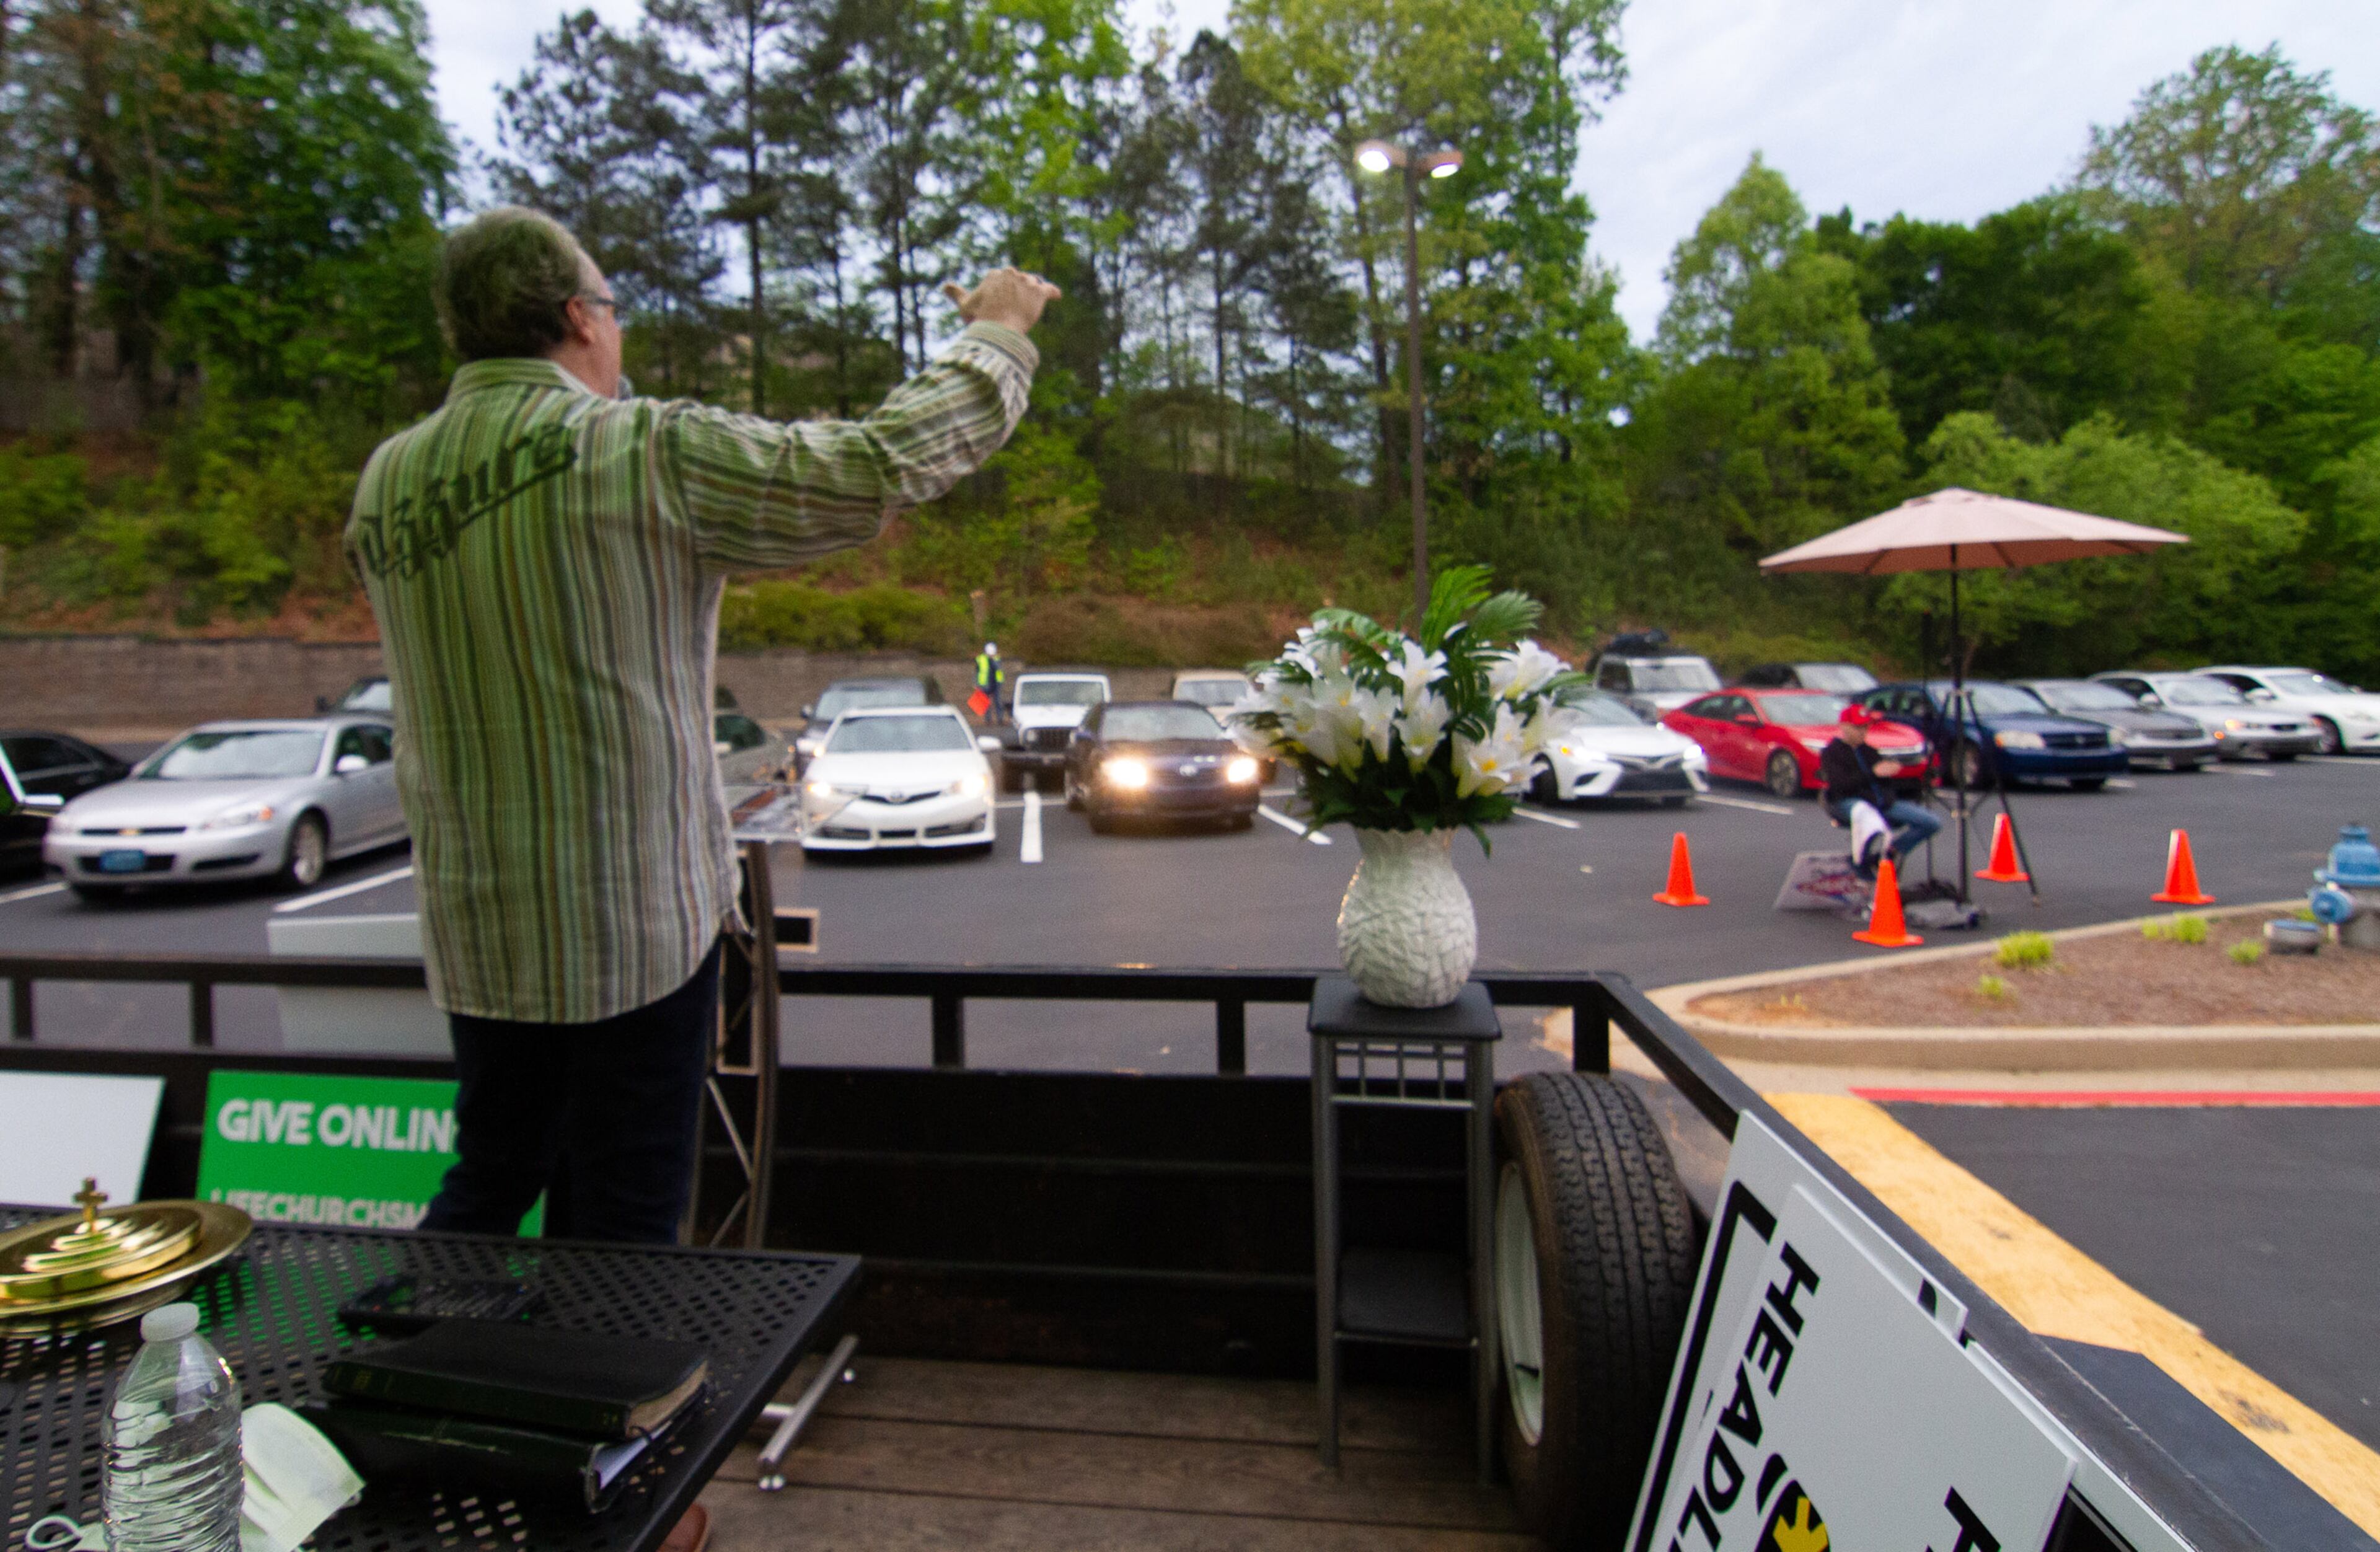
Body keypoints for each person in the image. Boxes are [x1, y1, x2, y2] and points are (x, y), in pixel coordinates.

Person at [346, 206, 1057, 1248]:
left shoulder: (390, 478)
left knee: (491, 1178)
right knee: (627, 1222)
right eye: (614, 309)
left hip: (482, 931)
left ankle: (418, 1390)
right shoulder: (642, 449)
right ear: (582, 318)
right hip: (627, 930)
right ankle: (609, 1405)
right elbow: (877, 463)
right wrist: (998, 332)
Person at [1819, 705, 1941, 876]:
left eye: (1866, 727)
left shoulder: (1870, 752)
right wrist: (1872, 773)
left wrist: (1900, 778)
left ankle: (1891, 852)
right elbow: (1841, 785)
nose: (1863, 732)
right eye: (1858, 728)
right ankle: (1861, 866)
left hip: (1879, 801)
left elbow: (1884, 785)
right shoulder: (1832, 753)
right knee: (1868, 820)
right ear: (1844, 727)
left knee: (1931, 822)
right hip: (1849, 801)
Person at [974, 641, 1007, 723]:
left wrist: (993, 661)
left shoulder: (997, 659)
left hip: (996, 683)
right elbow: (977, 672)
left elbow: (999, 669)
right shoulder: (980, 659)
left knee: (998, 701)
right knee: (986, 702)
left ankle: (1000, 719)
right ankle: (988, 720)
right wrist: (976, 683)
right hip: (985, 684)